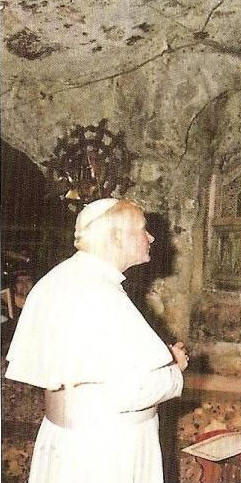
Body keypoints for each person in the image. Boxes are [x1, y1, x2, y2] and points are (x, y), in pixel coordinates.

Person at [5, 198, 189, 483]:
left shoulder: (60, 278)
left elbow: (96, 364)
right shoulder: (102, 294)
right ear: (116, 236)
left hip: (71, 441)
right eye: (142, 229)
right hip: (107, 450)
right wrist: (174, 369)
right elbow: (130, 392)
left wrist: (153, 360)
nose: (151, 237)